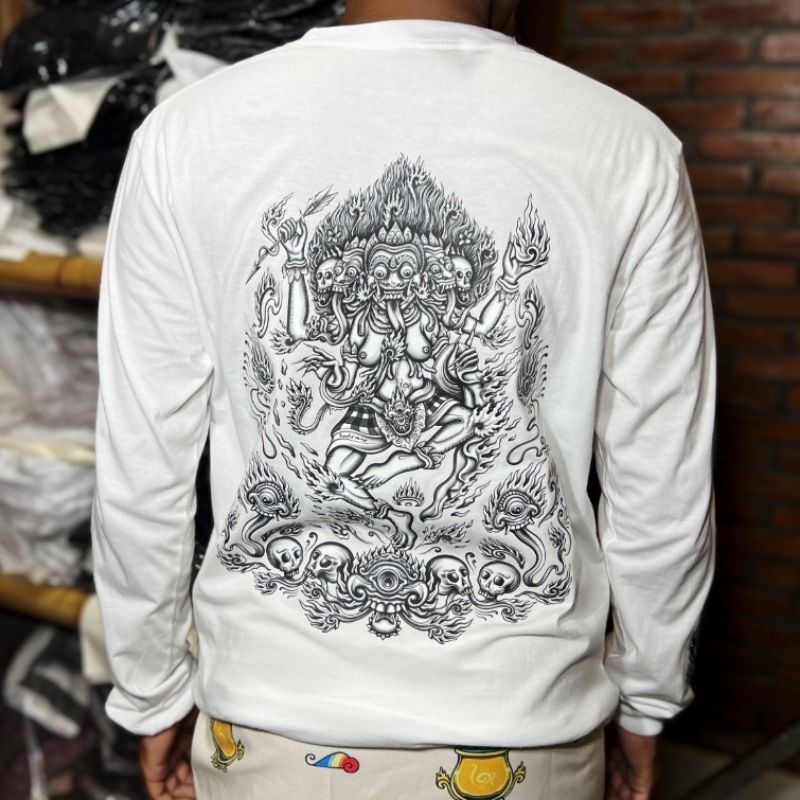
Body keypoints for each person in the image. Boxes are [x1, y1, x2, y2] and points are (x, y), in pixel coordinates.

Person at [91, 1, 716, 798]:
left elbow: (141, 465)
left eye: (408, 275)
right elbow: (661, 480)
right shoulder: (626, 145)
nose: (392, 285)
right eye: (379, 273)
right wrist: (646, 697)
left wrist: (151, 693)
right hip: (530, 728)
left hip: (266, 730)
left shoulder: (187, 135)